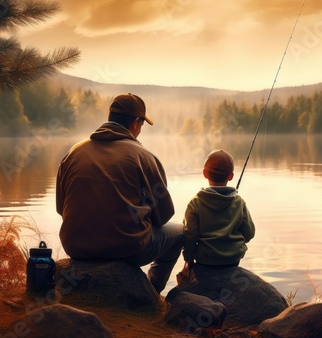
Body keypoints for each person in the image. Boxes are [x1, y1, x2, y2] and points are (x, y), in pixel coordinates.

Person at [56, 93, 184, 293]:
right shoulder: (143, 156)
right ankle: (151, 292)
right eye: (141, 125)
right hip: (128, 250)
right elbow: (164, 216)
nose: (140, 130)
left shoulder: (73, 153)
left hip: (76, 248)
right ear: (135, 123)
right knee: (180, 232)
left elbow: (61, 209)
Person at [179, 149, 255, 280]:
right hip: (233, 259)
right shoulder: (239, 202)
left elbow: (190, 235)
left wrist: (189, 259)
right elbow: (249, 233)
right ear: (231, 176)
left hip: (205, 260)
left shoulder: (195, 203)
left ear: (204, 173)